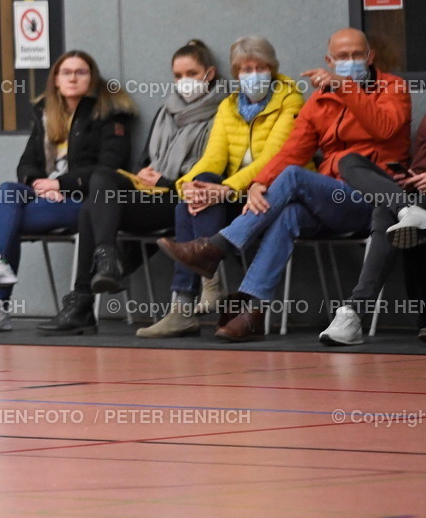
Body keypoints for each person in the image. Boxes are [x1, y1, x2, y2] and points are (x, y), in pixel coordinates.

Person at [158, 28, 411, 342]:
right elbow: (293, 150)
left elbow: (385, 127)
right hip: (332, 199)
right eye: (341, 57)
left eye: (356, 55)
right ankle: (251, 312)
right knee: (288, 212)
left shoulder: (393, 88)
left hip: (373, 200)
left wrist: (347, 89)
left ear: (370, 57)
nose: (349, 62)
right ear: (329, 60)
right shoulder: (320, 101)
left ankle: (217, 247)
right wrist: (259, 183)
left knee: (292, 177)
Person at [36, 39, 227, 336]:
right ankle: (106, 259)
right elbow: (145, 161)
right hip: (151, 194)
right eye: (177, 76)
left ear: (210, 73)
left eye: (191, 73)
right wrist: (144, 174)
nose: (184, 82)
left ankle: (83, 302)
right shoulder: (167, 112)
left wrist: (163, 181)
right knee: (102, 182)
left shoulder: (223, 112)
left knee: (91, 206)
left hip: (184, 200)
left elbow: (215, 170)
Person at [136, 37, 304, 338]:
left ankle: (201, 289)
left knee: (211, 190)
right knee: (195, 192)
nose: (252, 74)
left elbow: (273, 158)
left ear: (273, 68)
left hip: (273, 190)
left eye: (260, 67)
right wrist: (188, 184)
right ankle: (186, 304)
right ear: (236, 73)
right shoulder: (229, 105)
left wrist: (225, 189)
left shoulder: (291, 100)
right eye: (245, 68)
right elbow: (213, 157)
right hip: (236, 193)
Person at [0, 50, 137, 332]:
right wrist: (40, 185)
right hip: (48, 198)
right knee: (9, 190)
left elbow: (110, 167)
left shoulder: (110, 114)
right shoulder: (46, 114)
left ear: (92, 79)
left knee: (10, 222)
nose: (72, 77)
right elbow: (27, 162)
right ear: (55, 80)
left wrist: (62, 184)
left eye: (80, 72)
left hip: (86, 203)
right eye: (66, 72)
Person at [319, 112, 426, 345]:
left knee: (383, 210)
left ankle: (354, 312)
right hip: (416, 194)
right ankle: (405, 209)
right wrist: (409, 178)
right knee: (349, 162)